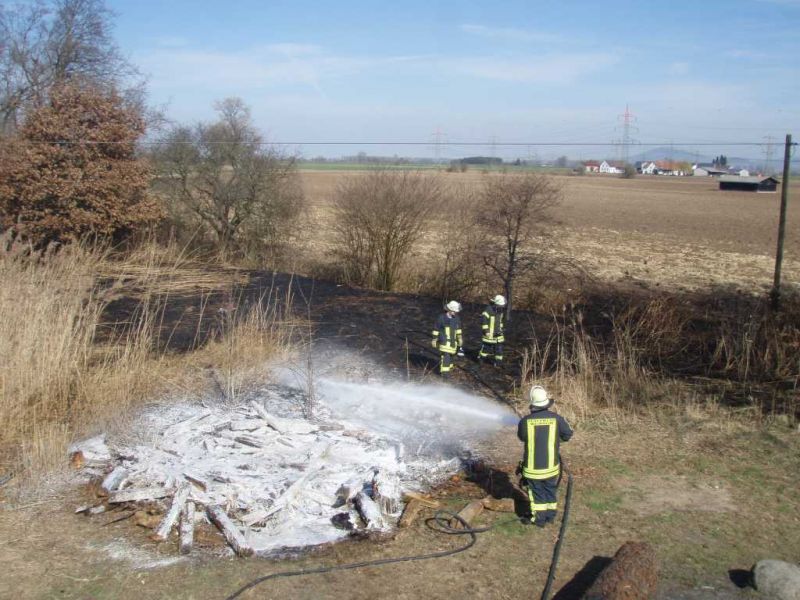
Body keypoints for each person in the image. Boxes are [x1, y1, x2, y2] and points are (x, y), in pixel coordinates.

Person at [517, 385, 573, 527]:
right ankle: (550, 515)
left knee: (537, 494)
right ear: (547, 403)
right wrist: (556, 440)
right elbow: (568, 434)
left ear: (532, 403)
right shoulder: (557, 419)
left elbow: (522, 438)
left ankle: (539, 519)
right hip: (552, 467)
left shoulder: (525, 421)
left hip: (532, 468)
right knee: (550, 490)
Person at [431, 300, 464, 376]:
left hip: (453, 341)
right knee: (446, 356)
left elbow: (458, 329)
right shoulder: (441, 318)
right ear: (449, 310)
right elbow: (436, 329)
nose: (455, 313)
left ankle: (448, 369)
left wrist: (459, 338)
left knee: (451, 356)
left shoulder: (457, 318)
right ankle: (444, 373)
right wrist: (434, 339)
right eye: (454, 311)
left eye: (456, 311)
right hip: (444, 341)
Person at [479, 294, 506, 367]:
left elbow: (500, 322)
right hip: (489, 334)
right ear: (496, 304)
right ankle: (481, 359)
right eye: (501, 305)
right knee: (486, 349)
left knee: (499, 350)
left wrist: (501, 329)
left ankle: (498, 363)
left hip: (498, 335)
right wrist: (486, 331)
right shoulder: (488, 310)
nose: (502, 306)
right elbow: (484, 321)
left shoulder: (500, 311)